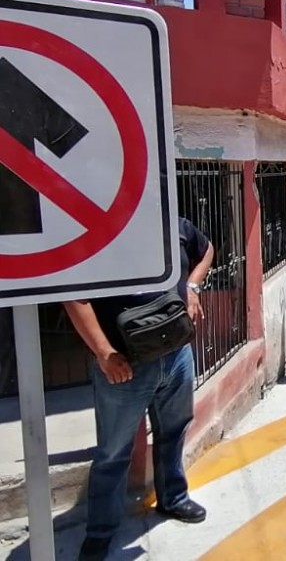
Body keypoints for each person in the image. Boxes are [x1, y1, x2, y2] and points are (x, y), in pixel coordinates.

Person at [65, 217, 214, 561]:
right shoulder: (95, 232)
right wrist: (104, 354)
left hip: (177, 353)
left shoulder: (173, 222)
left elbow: (206, 251)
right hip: (124, 366)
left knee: (173, 431)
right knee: (113, 454)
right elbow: (75, 297)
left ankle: (173, 498)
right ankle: (100, 533)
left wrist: (192, 287)